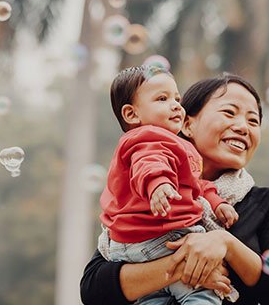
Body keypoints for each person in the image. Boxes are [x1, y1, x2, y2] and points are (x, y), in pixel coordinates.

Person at [81, 73, 269, 305]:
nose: (243, 127)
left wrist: (225, 244)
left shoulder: (266, 202)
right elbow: (94, 290)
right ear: (187, 123)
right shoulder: (146, 194)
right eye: (229, 112)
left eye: (253, 121)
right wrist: (180, 266)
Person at [98, 65, 239, 304]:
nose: (175, 105)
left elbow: (195, 184)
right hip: (163, 238)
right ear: (132, 114)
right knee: (201, 293)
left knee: (153, 300)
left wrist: (216, 202)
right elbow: (149, 163)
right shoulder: (149, 137)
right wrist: (158, 184)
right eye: (162, 99)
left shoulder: (171, 144)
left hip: (133, 250)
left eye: (177, 98)